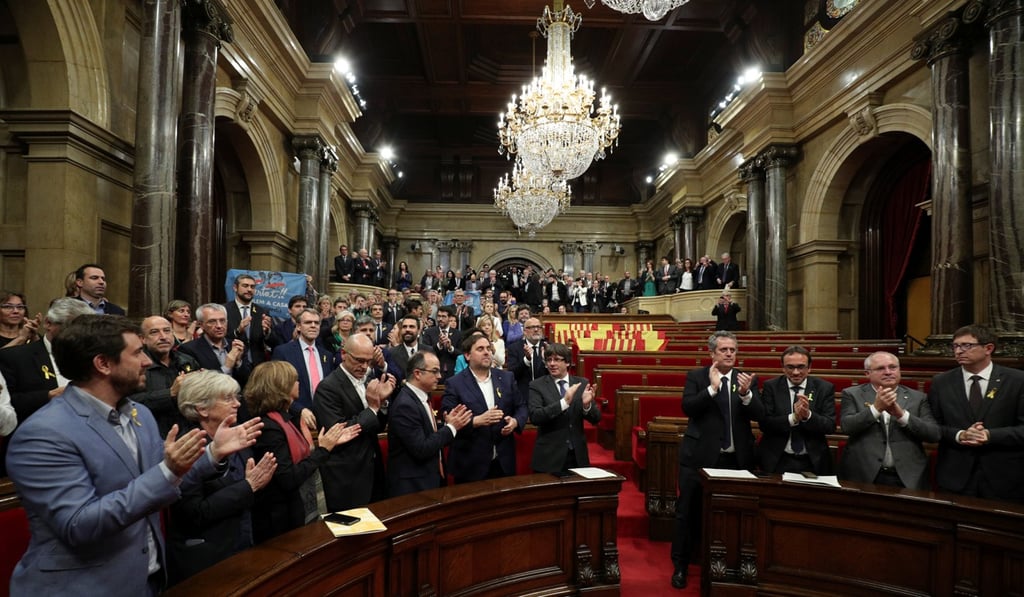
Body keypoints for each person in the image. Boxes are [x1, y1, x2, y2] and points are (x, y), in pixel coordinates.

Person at [5, 314, 262, 596]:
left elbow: (165, 489)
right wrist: (168, 471)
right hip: (83, 586)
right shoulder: (44, 434)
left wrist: (213, 453)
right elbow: (80, 525)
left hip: (147, 579)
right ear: (103, 364)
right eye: (137, 352)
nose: (148, 362)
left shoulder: (139, 416)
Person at [671, 331, 763, 590]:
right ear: (711, 353)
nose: (729, 353)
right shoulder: (697, 376)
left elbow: (761, 415)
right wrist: (712, 389)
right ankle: (680, 566)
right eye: (724, 350)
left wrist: (746, 395)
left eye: (733, 349)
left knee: (736, 513)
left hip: (737, 459)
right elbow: (688, 408)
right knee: (686, 512)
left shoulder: (746, 379)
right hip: (698, 458)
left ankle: (733, 566)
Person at [167, 371, 278, 584]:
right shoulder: (185, 447)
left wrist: (253, 486)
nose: (237, 404)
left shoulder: (236, 437)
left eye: (236, 397)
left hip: (241, 546)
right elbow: (193, 513)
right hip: (206, 560)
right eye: (228, 398)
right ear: (201, 408)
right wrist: (248, 486)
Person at [246, 361, 360, 543]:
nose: (299, 383)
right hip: (281, 521)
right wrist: (323, 449)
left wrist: (325, 445)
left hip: (295, 511)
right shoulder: (269, 428)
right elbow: (288, 478)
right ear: (281, 386)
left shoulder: (286, 419)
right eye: (295, 380)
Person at [929, 325, 1024, 502]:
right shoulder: (941, 382)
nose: (959, 351)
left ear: (988, 348)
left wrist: (990, 435)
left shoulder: (1017, 381)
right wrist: (960, 435)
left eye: (966, 346)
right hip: (955, 478)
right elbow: (932, 427)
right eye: (955, 346)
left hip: (1005, 478)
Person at [313, 332, 396, 510]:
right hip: (347, 475)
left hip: (373, 469)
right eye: (359, 360)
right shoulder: (327, 388)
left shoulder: (368, 381)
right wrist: (373, 408)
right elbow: (340, 433)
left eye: (368, 361)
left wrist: (382, 404)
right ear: (343, 354)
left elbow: (377, 426)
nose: (364, 366)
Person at [838, 352, 938, 490]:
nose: (888, 372)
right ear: (867, 373)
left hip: (908, 475)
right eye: (880, 368)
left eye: (893, 367)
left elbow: (933, 434)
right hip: (863, 473)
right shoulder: (852, 394)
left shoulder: (918, 398)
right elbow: (847, 427)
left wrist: (902, 415)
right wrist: (876, 409)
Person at [441, 334, 525, 483]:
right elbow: (449, 419)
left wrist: (515, 422)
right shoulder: (454, 384)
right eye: (480, 349)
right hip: (470, 463)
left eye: (488, 348)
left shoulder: (507, 378)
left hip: (502, 461)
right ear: (467, 355)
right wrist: (476, 421)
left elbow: (521, 407)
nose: (487, 352)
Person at [387, 351, 472, 496]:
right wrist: (451, 427)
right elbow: (421, 448)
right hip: (412, 487)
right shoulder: (405, 405)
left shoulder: (422, 396)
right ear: (418, 373)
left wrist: (447, 423)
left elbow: (426, 431)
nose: (439, 376)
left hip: (428, 479)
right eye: (434, 371)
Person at [0, 297, 94, 424]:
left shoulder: (93, 356)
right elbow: (8, 403)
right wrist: (48, 396)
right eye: (71, 327)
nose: (79, 334)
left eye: (84, 329)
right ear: (48, 323)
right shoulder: (15, 357)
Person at [757, 346, 837, 475]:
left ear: (809, 367)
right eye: (790, 367)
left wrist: (807, 416)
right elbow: (765, 424)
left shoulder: (824, 388)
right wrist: (793, 418)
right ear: (783, 367)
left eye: (800, 367)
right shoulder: (771, 386)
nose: (795, 372)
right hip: (777, 459)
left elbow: (830, 426)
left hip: (812, 461)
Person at [528, 343, 601, 473]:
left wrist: (586, 405)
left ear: (567, 363)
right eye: (548, 360)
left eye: (557, 359)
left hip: (577, 456)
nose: (551, 364)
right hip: (549, 457)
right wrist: (564, 403)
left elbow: (596, 419)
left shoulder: (581, 383)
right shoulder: (537, 385)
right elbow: (535, 416)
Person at [129, 316, 200, 437]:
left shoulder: (187, 361)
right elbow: (129, 403)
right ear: (142, 339)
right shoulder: (136, 365)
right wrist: (170, 393)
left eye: (167, 331)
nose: (163, 337)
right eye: (154, 332)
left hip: (189, 433)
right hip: (152, 435)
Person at [270, 308, 335, 433]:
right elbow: (276, 389)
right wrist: (299, 410)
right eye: (308, 322)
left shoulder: (327, 355)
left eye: (316, 323)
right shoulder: (283, 352)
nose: (313, 326)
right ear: (298, 326)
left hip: (324, 422)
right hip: (295, 421)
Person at [179, 304, 249, 384]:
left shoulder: (236, 345)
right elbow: (195, 385)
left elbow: (247, 381)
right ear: (201, 325)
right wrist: (226, 367)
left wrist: (238, 363)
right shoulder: (188, 350)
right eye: (212, 321)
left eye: (222, 321)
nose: (219, 326)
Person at [224, 274, 273, 372]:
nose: (249, 289)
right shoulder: (224, 310)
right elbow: (221, 338)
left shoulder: (262, 312)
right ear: (235, 288)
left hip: (258, 366)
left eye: (252, 287)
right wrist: (238, 331)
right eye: (245, 286)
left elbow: (273, 342)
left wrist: (267, 332)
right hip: (234, 364)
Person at [506, 316, 548, 408]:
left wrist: (546, 361)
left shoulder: (548, 347)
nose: (536, 330)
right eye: (532, 327)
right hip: (523, 396)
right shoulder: (514, 348)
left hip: (546, 396)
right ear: (524, 331)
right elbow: (512, 374)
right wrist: (526, 360)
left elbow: (556, 373)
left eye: (539, 327)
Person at [422, 306, 462, 380]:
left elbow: (461, 354)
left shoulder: (458, 334)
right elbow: (425, 352)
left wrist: (451, 348)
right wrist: (438, 345)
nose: (440, 319)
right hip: (433, 372)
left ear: (449, 318)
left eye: (443, 316)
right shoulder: (429, 332)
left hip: (453, 373)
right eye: (439, 316)